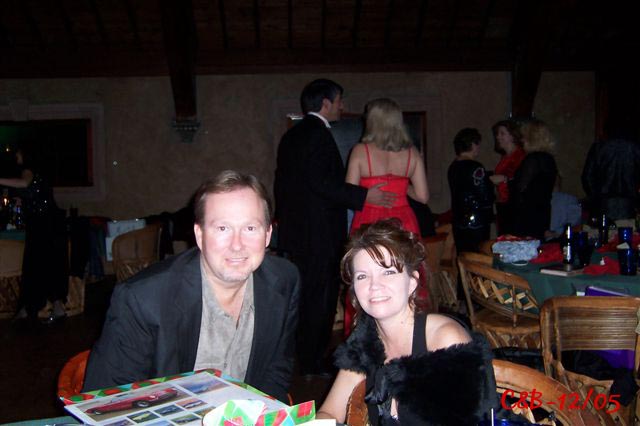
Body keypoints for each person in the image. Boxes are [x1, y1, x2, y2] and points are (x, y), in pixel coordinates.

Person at [83, 171, 300, 403]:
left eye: (250, 228)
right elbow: (107, 402)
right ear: (199, 234)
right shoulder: (142, 299)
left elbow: (276, 369)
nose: (237, 245)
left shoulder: (284, 281)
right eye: (222, 228)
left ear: (267, 234)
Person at [316, 219, 496, 425]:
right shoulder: (365, 340)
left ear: (412, 282)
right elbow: (330, 412)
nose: (374, 286)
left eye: (388, 272)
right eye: (362, 276)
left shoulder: (445, 341)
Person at [274, 79, 395, 377]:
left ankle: (305, 358)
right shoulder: (317, 134)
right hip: (319, 235)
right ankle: (312, 363)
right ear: (326, 103)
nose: (342, 106)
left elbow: (285, 186)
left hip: (300, 233)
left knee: (308, 298)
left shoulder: (293, 135)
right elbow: (321, 183)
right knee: (320, 300)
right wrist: (364, 196)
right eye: (339, 100)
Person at [0, 145, 68, 323]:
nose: (16, 155)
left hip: (43, 225)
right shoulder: (38, 173)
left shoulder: (28, 171)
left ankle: (30, 309)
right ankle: (41, 308)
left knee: (37, 266)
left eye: (18, 152)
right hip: (48, 224)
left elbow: (24, 183)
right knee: (46, 266)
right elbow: (32, 193)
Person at [346, 98, 429, 235]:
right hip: (403, 222)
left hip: (369, 221)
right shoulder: (412, 152)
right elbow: (423, 197)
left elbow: (349, 195)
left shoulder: (360, 150)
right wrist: (401, 187)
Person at [581, 114, 640, 222]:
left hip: (603, 204)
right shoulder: (635, 148)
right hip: (629, 205)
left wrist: (596, 196)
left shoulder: (599, 147)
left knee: (604, 231)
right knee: (627, 231)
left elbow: (587, 178)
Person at [508, 119, 558, 240]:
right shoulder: (549, 159)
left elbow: (520, 189)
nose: (522, 140)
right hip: (542, 212)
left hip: (527, 215)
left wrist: (508, 182)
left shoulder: (533, 159)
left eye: (524, 136)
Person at [447, 128, 494, 253]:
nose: (478, 148)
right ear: (473, 145)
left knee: (464, 255)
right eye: (477, 144)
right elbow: (485, 197)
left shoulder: (453, 167)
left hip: (459, 220)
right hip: (477, 222)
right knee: (478, 256)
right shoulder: (476, 167)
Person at [489, 120, 526, 235]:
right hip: (504, 204)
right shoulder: (505, 157)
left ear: (512, 136)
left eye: (502, 133)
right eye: (497, 134)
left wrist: (504, 178)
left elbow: (522, 179)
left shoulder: (520, 155)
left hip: (515, 205)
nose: (498, 137)